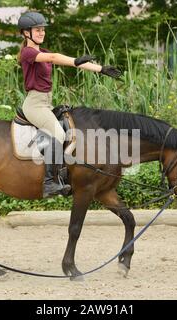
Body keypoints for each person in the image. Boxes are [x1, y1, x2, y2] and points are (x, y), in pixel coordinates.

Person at [17, 11, 122, 198]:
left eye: (43, 30)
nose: (42, 33)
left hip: (46, 103)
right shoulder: (28, 52)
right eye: (37, 30)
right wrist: (74, 60)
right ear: (26, 33)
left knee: (67, 130)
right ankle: (49, 182)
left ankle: (61, 171)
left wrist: (101, 69)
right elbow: (55, 58)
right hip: (34, 104)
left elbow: (71, 62)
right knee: (57, 133)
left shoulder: (43, 52)